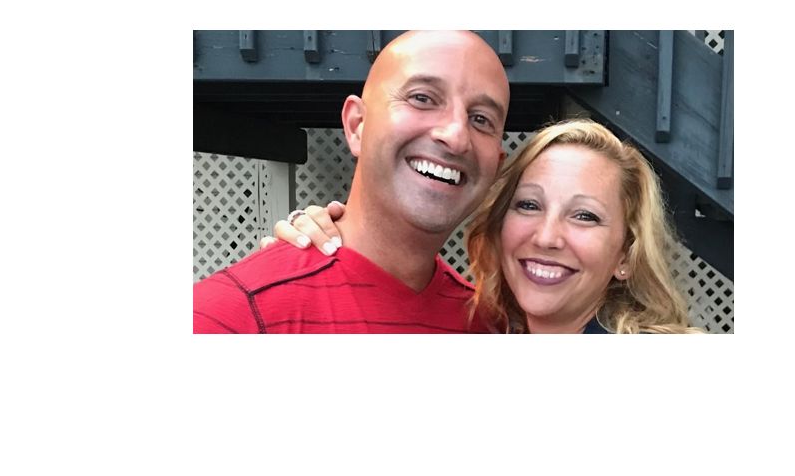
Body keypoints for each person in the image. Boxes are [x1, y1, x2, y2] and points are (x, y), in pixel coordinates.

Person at [193, 30, 510, 333]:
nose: (455, 136)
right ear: (357, 125)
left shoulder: (489, 326)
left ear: (496, 166)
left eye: (481, 119)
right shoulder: (229, 317)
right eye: (422, 98)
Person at [272, 119, 701, 334]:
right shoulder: (479, 327)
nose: (546, 237)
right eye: (528, 205)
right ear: (498, 225)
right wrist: (306, 252)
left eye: (584, 215)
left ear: (625, 254)